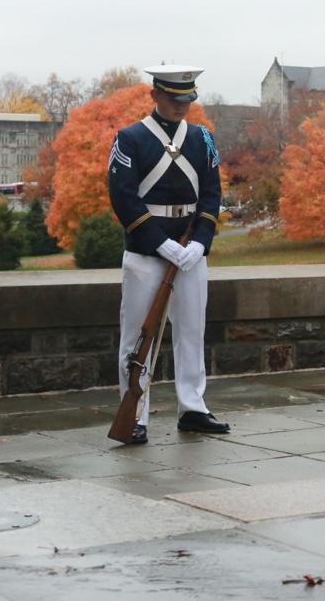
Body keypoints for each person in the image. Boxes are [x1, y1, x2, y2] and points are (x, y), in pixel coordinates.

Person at [107, 64, 228, 442]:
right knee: (138, 334)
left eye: (187, 99)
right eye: (175, 99)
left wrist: (199, 242)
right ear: (155, 95)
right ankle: (135, 411)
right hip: (147, 249)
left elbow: (211, 193)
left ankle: (192, 406)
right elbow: (124, 197)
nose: (181, 106)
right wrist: (161, 243)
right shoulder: (130, 139)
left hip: (190, 250)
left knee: (192, 330)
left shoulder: (201, 139)